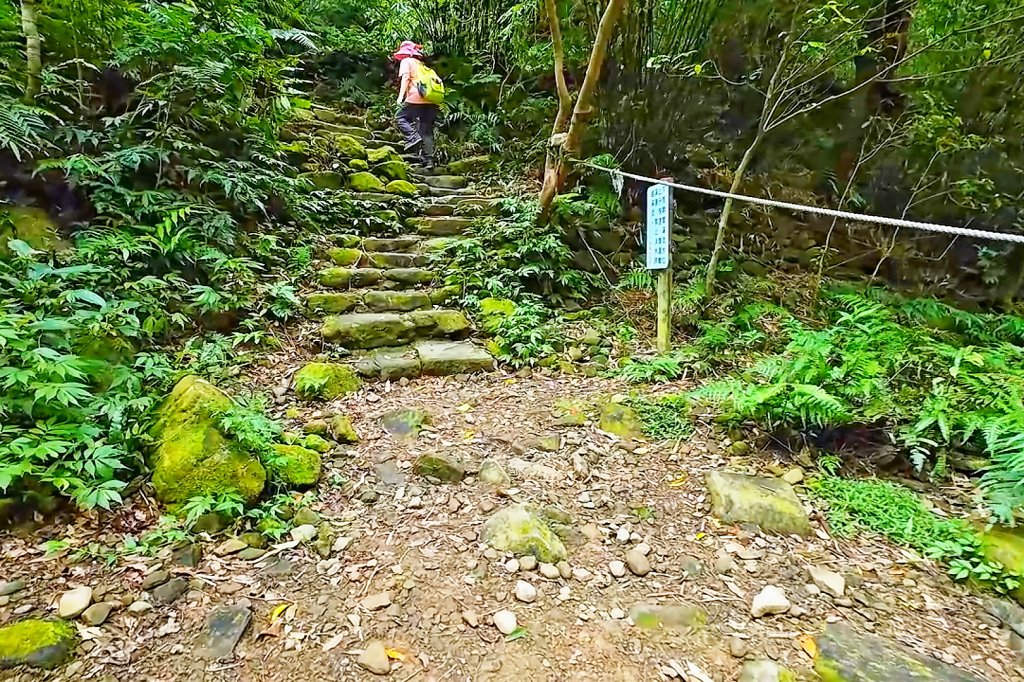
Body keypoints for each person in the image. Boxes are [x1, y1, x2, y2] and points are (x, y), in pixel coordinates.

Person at [393, 41, 440, 168]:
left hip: (416, 97)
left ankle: (413, 138)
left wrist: (400, 97)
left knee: (400, 117)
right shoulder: (422, 65)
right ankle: (429, 161)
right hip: (431, 99)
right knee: (426, 130)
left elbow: (406, 78)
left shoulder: (406, 61)